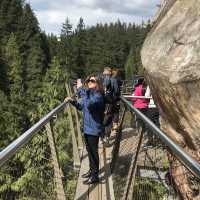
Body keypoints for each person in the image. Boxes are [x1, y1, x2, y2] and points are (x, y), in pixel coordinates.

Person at [65, 75, 105, 184]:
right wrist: (72, 101)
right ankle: (92, 171)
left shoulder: (98, 96)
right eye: (88, 81)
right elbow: (81, 106)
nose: (89, 82)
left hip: (94, 129)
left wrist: (81, 90)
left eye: (92, 81)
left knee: (93, 152)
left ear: (98, 83)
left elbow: (89, 105)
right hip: (87, 128)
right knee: (89, 150)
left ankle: (95, 176)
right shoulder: (89, 94)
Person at [102, 67, 120, 142]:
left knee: (105, 118)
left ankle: (104, 136)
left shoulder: (101, 80)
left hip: (103, 102)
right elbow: (116, 91)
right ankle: (107, 135)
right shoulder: (113, 80)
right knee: (109, 118)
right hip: (111, 102)